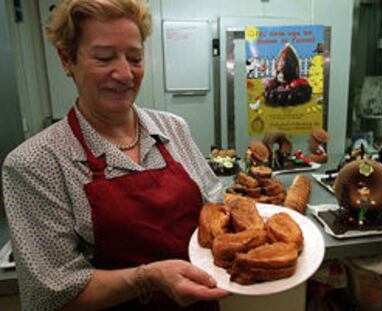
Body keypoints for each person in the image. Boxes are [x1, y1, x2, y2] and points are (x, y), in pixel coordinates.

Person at [1, 0, 229, 310]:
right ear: (67, 59)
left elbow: (215, 208)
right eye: (104, 57)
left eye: (134, 58)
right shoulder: (35, 163)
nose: (124, 74)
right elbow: (51, 295)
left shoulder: (173, 129)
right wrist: (147, 278)